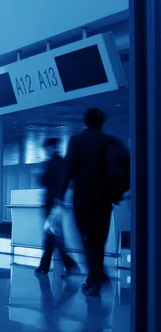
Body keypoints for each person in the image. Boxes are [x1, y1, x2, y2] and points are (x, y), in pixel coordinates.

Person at [61, 108, 113, 296]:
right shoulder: (109, 142)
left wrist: (60, 193)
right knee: (98, 240)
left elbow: (68, 169)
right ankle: (96, 277)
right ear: (102, 122)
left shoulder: (77, 141)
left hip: (82, 200)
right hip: (104, 200)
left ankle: (95, 279)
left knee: (87, 240)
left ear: (85, 121)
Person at [35, 138, 76, 275]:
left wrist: (41, 171)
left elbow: (43, 180)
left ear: (52, 147)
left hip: (51, 202)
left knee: (51, 233)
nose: (45, 151)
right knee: (52, 234)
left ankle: (66, 263)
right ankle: (48, 265)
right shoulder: (62, 162)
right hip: (58, 201)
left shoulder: (52, 163)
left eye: (46, 148)